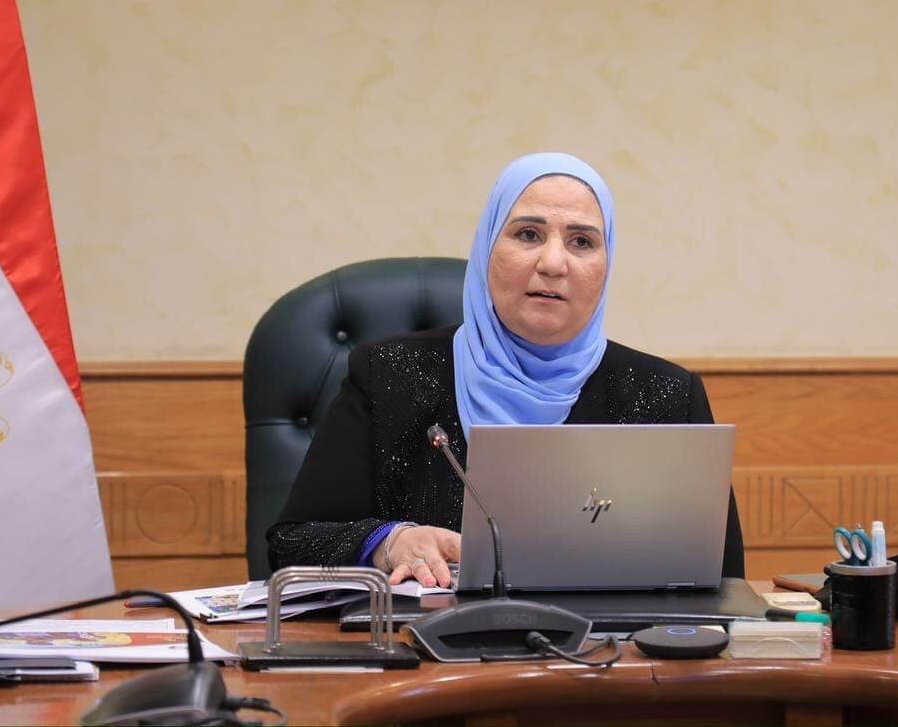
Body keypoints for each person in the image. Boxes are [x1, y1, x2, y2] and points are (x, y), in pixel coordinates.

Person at [267, 152, 743, 587]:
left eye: (581, 241)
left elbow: (723, 578)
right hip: (427, 647)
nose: (553, 263)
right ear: (487, 248)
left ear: (607, 263)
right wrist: (389, 543)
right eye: (528, 234)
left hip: (612, 650)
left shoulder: (666, 395)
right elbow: (292, 543)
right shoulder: (389, 374)